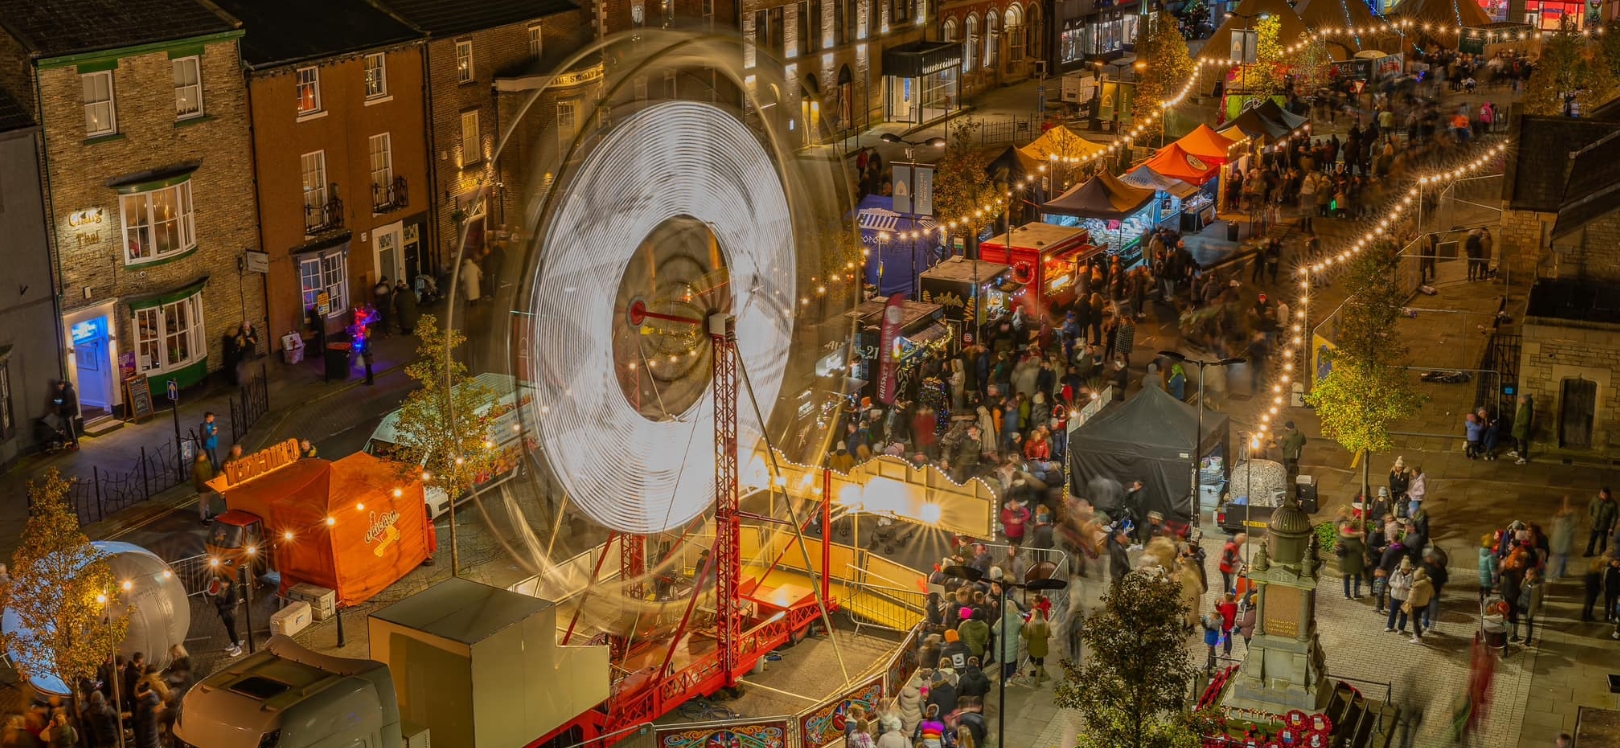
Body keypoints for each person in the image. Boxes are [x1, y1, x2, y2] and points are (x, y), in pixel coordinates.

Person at [209, 575, 244, 657]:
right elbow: (219, 597)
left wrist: (222, 607)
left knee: (232, 630)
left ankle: (237, 647)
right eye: (221, 582)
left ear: (227, 583)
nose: (222, 584)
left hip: (230, 613)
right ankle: (233, 643)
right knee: (229, 629)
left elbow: (234, 603)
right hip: (224, 613)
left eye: (223, 583)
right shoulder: (222, 588)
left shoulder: (233, 591)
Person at [1514, 567, 1544, 645]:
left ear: (1532, 575)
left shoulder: (1537, 585)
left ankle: (1528, 640)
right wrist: (1526, 580)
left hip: (1529, 607)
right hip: (1523, 604)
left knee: (1529, 623)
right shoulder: (1527, 581)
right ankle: (1523, 637)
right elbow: (1521, 588)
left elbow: (1537, 599)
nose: (1525, 574)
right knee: (1524, 622)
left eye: (1527, 573)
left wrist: (1534, 609)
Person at [1022, 607, 1051, 685]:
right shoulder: (1046, 624)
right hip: (1042, 647)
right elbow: (1048, 634)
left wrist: (1023, 628)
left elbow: (1025, 636)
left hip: (1033, 647)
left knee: (1032, 660)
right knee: (1040, 663)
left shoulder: (1031, 624)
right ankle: (1038, 680)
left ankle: (1043, 676)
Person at [1338, 521, 1367, 598]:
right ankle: (1356, 594)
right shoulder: (1355, 541)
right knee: (1357, 578)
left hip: (1344, 562)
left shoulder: (1340, 537)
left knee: (1346, 579)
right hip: (1356, 564)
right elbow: (1362, 550)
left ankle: (1347, 594)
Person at [1405, 567, 1434, 644]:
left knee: (1415, 621)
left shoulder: (1416, 586)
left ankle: (1418, 638)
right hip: (1424, 604)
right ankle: (1416, 634)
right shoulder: (1428, 583)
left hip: (1416, 605)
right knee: (1419, 619)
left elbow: (1411, 597)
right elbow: (1432, 594)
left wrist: (1407, 604)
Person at [1386, 557, 1414, 634]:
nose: (1404, 571)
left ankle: (1401, 628)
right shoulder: (1396, 572)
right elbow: (1390, 581)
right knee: (1392, 612)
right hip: (1395, 596)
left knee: (1404, 614)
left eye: (1406, 569)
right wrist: (1398, 585)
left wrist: (1409, 588)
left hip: (1407, 598)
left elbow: (1414, 586)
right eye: (1403, 569)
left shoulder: (1413, 574)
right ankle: (1390, 626)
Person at [1588, 488, 1617, 557]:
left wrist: (1611, 527)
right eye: (1601, 493)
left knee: (1603, 541)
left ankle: (1602, 554)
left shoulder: (1612, 504)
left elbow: (1614, 516)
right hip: (1595, 524)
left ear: (1608, 495)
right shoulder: (1595, 500)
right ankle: (1589, 551)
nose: (1602, 495)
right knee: (1592, 538)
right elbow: (1590, 508)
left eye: (1604, 494)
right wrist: (1591, 519)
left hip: (1604, 525)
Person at [51, 380, 78, 448]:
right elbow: (65, 401)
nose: (59, 388)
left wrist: (60, 406)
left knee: (71, 428)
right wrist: (57, 401)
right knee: (70, 428)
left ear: (62, 384)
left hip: (69, 413)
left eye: (59, 386)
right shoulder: (69, 390)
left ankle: (75, 444)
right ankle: (74, 443)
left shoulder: (66, 392)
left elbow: (67, 404)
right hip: (70, 412)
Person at [192, 452, 215, 523]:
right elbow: (194, 479)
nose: (204, 456)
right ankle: (203, 518)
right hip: (202, 488)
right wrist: (198, 487)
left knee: (207, 502)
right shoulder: (196, 466)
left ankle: (208, 514)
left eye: (205, 455)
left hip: (209, 486)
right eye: (203, 455)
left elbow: (212, 471)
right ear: (199, 457)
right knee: (202, 503)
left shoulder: (207, 462)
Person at [1510, 394, 1533, 464]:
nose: (1520, 400)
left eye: (1522, 399)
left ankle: (1523, 458)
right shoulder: (1524, 407)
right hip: (1518, 428)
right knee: (1513, 436)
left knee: (1523, 443)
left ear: (1525, 400)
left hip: (1522, 429)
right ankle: (1515, 451)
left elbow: (1525, 421)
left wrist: (1518, 424)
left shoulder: (1527, 409)